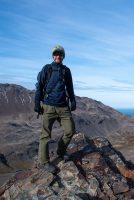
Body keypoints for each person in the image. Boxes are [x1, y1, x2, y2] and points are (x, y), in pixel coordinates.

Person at [34, 45, 76, 173]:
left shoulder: (66, 70)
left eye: (60, 54)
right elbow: (40, 87)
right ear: (53, 56)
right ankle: (44, 162)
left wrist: (73, 100)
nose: (58, 56)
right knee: (45, 135)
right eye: (56, 54)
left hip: (63, 106)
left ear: (63, 56)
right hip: (49, 106)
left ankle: (61, 151)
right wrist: (37, 103)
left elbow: (70, 87)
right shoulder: (47, 69)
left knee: (70, 130)